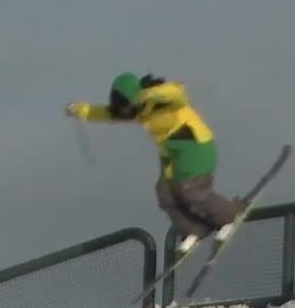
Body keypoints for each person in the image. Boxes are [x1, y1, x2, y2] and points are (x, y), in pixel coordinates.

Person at [66, 73, 246, 251]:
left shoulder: (160, 100)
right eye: (121, 111)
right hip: (173, 154)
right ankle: (194, 229)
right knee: (165, 193)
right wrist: (78, 110)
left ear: (133, 99)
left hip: (194, 146)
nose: (124, 114)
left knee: (190, 190)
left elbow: (178, 92)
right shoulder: (137, 112)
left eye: (126, 108)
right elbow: (103, 113)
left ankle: (229, 216)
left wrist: (147, 94)